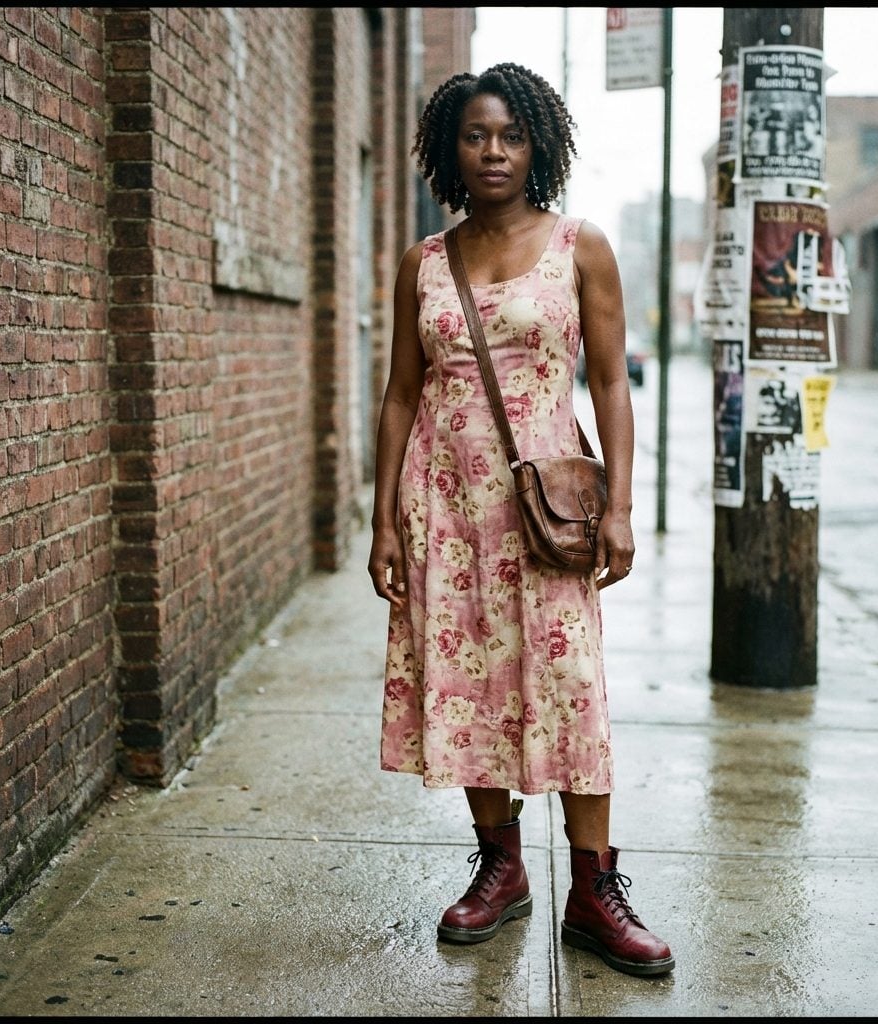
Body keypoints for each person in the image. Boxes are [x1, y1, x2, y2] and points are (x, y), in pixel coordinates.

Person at [367, 62, 675, 978]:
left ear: (537, 145)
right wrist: (384, 522)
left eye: (510, 135)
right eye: (475, 135)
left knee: (570, 684)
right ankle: (500, 867)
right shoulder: (424, 262)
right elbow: (401, 392)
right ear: (450, 148)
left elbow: (611, 381)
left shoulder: (581, 247)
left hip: (547, 509)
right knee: (466, 681)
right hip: (446, 507)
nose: (493, 151)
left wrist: (621, 506)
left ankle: (595, 890)